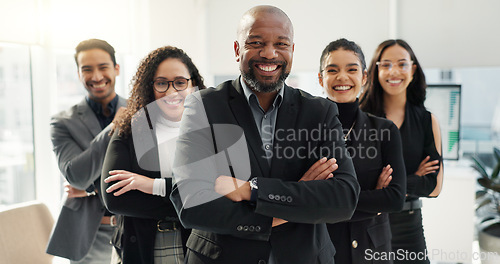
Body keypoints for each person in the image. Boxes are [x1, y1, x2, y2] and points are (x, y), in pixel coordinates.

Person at [170, 5, 360, 264]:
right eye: (256, 42)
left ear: (292, 50)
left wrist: (253, 191)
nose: (269, 53)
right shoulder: (203, 107)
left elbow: (343, 197)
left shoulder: (320, 112)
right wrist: (290, 205)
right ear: (237, 50)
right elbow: (190, 201)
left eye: (281, 43)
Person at [100, 46, 206, 263]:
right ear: (150, 87)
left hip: (196, 245)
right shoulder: (129, 129)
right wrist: (183, 200)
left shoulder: (208, 130)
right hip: (142, 245)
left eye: (180, 82)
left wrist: (150, 185)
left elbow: (215, 194)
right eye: (161, 83)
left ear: (193, 84)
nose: (171, 92)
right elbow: (114, 199)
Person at [318, 38, 407, 263]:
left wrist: (331, 203)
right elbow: (304, 198)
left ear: (364, 77)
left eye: (352, 69)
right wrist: (374, 200)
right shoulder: (307, 131)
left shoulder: (385, 130)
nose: (342, 77)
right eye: (332, 70)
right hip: (323, 249)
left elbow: (395, 198)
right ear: (321, 78)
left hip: (373, 251)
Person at [360, 39, 444, 263]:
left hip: (410, 227)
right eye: (386, 64)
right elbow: (355, 182)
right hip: (366, 223)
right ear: (376, 69)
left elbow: (434, 186)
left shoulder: (427, 121)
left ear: (413, 69)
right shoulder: (360, 117)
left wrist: (387, 188)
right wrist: (414, 179)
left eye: (401, 64)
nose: (393, 71)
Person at [46, 39, 127, 264]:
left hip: (135, 227)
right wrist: (114, 127)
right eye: (87, 69)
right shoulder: (62, 122)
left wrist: (93, 189)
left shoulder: (138, 112)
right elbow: (77, 177)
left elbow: (148, 174)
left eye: (103, 67)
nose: (96, 76)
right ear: (79, 74)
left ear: (116, 69)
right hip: (89, 236)